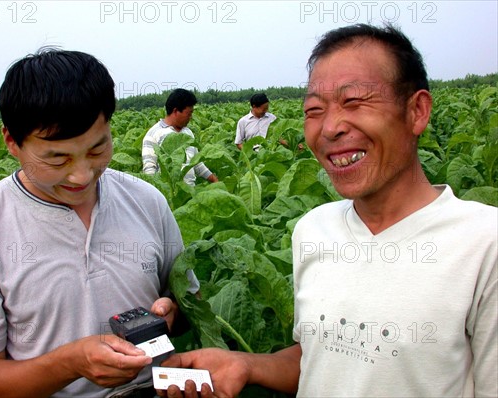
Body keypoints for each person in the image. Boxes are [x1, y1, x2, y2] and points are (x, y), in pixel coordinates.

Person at [157, 23, 498, 398]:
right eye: (315, 110)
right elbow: (321, 360)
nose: (331, 127)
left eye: (355, 102)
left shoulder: (484, 244)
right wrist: (248, 364)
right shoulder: (312, 229)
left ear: (417, 111)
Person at [0, 48, 199, 398]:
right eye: (57, 158)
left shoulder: (147, 202)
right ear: (12, 142)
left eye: (96, 149)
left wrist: (171, 313)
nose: (81, 175)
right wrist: (69, 364)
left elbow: (183, 306)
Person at [142, 89, 218, 185]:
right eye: (189, 113)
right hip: (168, 195)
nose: (191, 117)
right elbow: (149, 169)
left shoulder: (188, 133)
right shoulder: (154, 134)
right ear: (176, 111)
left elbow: (196, 164)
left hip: (190, 194)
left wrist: (214, 180)